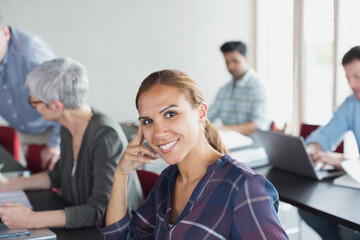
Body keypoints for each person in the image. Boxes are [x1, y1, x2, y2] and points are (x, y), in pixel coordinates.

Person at [97, 69, 288, 239]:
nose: (158, 133)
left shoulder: (244, 187)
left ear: (201, 113)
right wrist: (121, 175)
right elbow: (122, 236)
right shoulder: (167, 180)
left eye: (170, 114)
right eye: (148, 121)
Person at [0, 58, 143, 229]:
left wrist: (32, 219)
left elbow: (102, 210)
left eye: (34, 102)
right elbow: (60, 174)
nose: (34, 108)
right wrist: (8, 185)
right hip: (83, 228)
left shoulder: (105, 135)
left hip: (117, 232)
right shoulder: (67, 126)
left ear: (56, 106)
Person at [299, 46, 360, 240]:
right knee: (307, 209)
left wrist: (344, 161)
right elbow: (325, 135)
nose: (351, 84)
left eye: (357, 77)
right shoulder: (352, 104)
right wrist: (312, 148)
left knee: (349, 231)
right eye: (347, 78)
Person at [0, 11, 60, 170]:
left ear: (5, 32)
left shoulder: (32, 53)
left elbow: (63, 98)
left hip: (52, 132)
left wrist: (56, 143)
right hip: (22, 133)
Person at [207, 41, 270, 135]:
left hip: (253, 146)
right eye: (227, 62)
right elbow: (207, 117)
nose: (230, 66)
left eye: (235, 61)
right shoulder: (224, 90)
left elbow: (258, 126)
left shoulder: (259, 87)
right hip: (229, 144)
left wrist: (222, 130)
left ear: (245, 59)